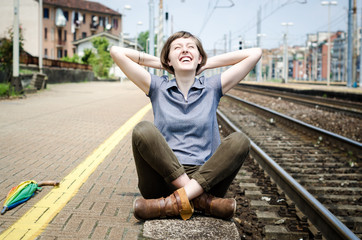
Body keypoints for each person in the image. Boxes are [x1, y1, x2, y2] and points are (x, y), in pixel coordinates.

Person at [110, 31, 261, 221]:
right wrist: (165, 64)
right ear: (168, 59)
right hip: (162, 180)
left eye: (191, 48)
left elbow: (255, 53)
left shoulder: (212, 87)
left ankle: (171, 204)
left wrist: (203, 64)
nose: (184, 51)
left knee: (240, 141)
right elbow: (116, 52)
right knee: (143, 130)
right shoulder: (157, 86)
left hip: (206, 178)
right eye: (177, 49)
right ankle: (202, 202)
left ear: (200, 58)